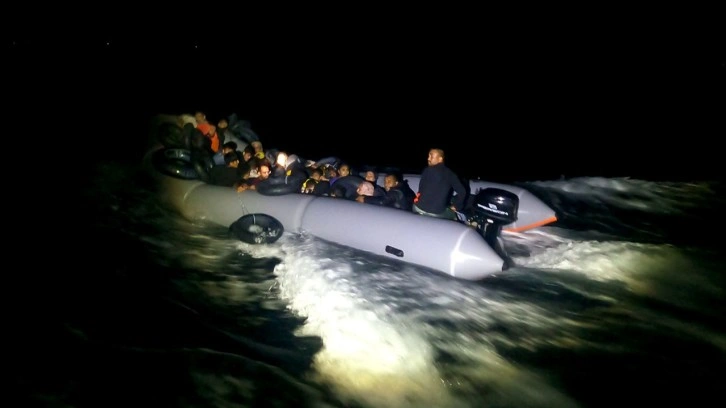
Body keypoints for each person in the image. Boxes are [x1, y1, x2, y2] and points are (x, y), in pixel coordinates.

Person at [412, 148, 467, 220]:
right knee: (455, 217)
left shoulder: (426, 170)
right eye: (428, 156)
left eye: (431, 156)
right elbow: (462, 192)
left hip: (417, 208)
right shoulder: (450, 174)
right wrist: (456, 206)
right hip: (437, 212)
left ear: (440, 159)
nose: (428, 158)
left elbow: (420, 190)